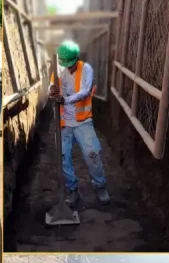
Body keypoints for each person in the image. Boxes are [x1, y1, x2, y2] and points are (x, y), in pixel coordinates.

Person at [49, 40, 110, 207]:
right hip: (64, 123)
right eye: (65, 64)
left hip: (83, 121)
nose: (69, 68)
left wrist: (66, 99)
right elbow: (52, 86)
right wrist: (51, 90)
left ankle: (100, 186)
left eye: (71, 64)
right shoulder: (59, 69)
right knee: (63, 157)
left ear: (77, 59)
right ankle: (72, 189)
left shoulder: (86, 69)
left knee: (92, 154)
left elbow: (85, 91)